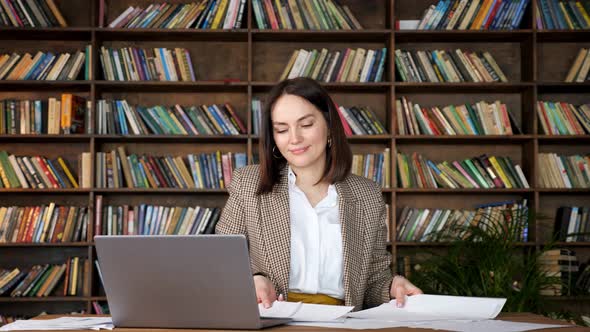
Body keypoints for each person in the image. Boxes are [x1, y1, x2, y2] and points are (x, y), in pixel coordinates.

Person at [216, 77, 422, 311]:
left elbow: (372, 280)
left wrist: (392, 287)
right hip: (271, 318)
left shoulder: (367, 195)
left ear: (329, 126)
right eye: (282, 129)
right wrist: (253, 280)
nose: (294, 138)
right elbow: (222, 262)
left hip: (342, 322)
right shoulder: (248, 185)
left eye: (306, 125)